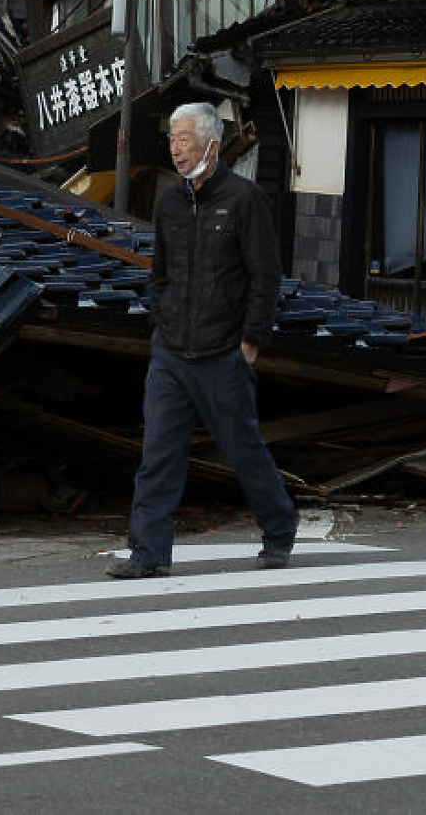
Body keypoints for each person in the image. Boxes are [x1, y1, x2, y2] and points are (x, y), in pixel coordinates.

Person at [109, 101, 298, 578]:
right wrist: (161, 323)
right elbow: (160, 274)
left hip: (223, 353)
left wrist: (251, 342)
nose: (175, 149)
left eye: (184, 139)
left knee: (242, 449)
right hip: (171, 351)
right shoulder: (170, 202)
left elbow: (265, 276)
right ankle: (148, 553)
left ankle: (279, 530)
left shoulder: (244, 199)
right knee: (158, 454)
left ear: (211, 144)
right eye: (172, 140)